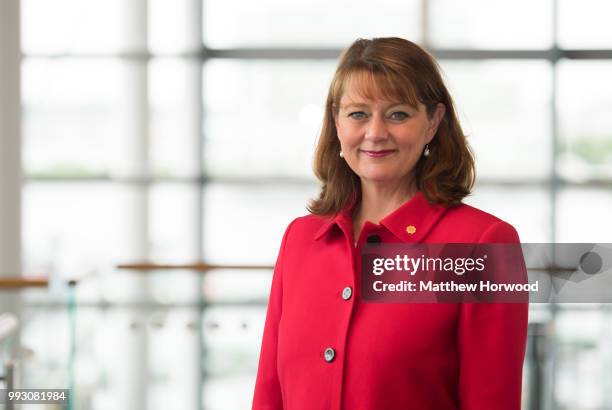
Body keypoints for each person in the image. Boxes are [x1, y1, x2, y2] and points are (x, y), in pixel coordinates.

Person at [252, 37, 528, 410]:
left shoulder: (486, 244)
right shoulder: (299, 239)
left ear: (432, 123)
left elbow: (491, 401)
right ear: (336, 123)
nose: (375, 132)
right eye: (358, 114)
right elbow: (269, 395)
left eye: (398, 114)